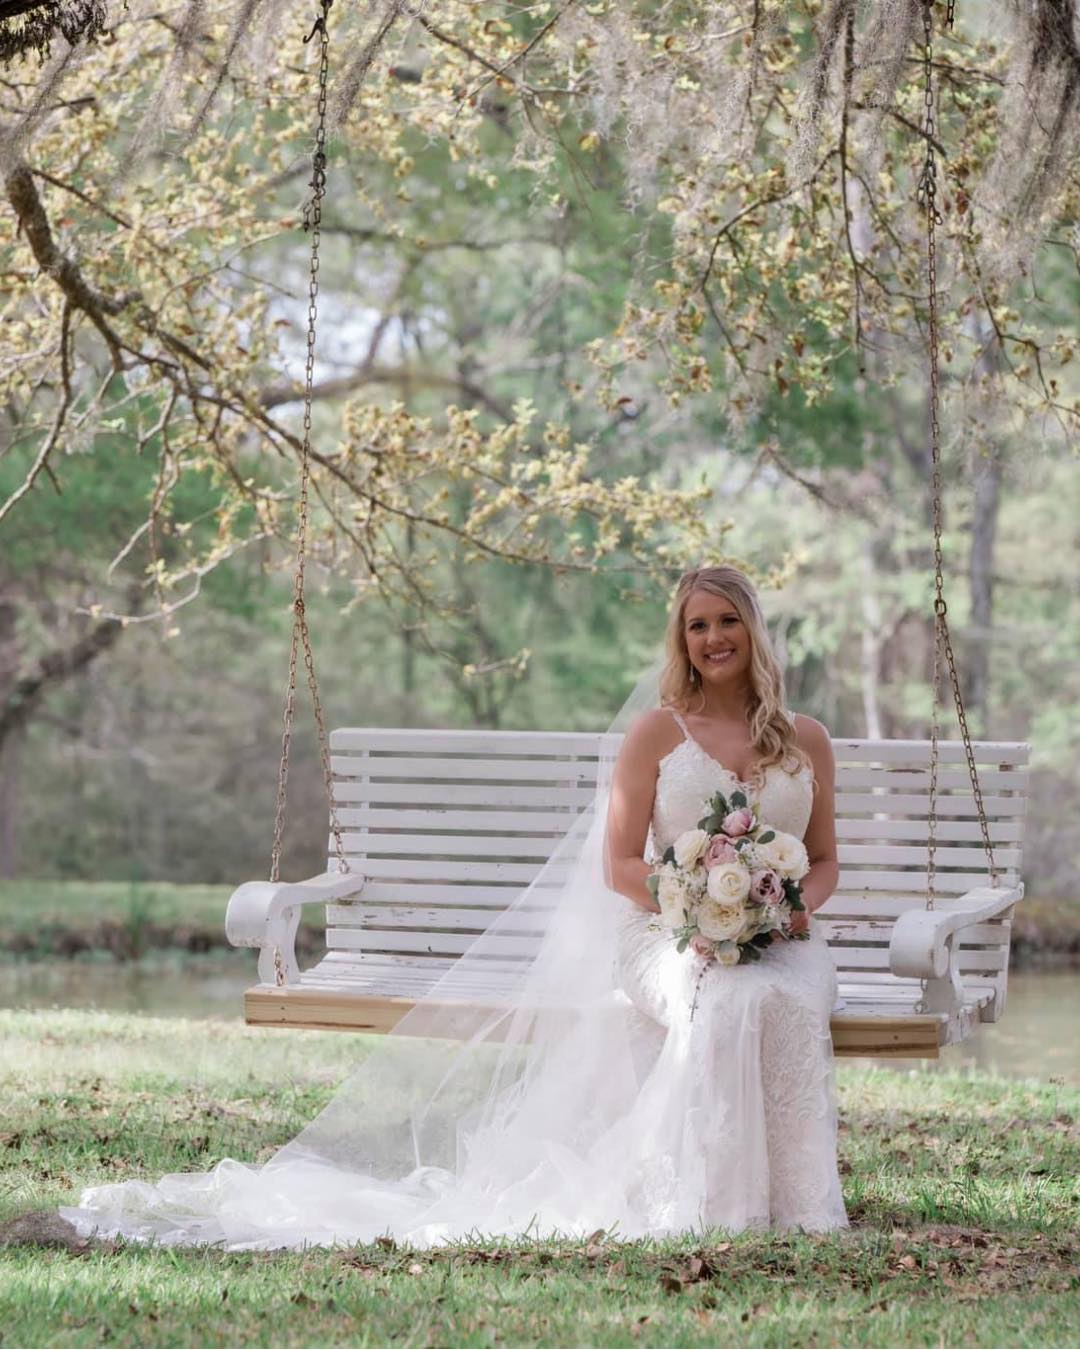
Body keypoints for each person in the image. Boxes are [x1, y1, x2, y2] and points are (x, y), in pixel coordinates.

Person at [58, 564, 848, 1249]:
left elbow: (823, 859)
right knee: (721, 996)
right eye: (697, 625)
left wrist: (785, 913)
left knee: (776, 991)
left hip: (786, 937)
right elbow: (617, 865)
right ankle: (711, 1200)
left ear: (754, 629)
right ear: (682, 641)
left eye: (727, 620)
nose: (714, 638)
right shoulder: (656, 734)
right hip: (662, 934)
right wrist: (691, 911)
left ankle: (797, 1203)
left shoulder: (804, 738)